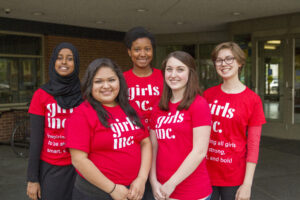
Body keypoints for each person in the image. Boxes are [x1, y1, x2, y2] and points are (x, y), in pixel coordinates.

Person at [65, 58, 152, 200]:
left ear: (119, 81)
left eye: (111, 80)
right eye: (98, 81)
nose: (106, 86)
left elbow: (145, 142)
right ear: (89, 85)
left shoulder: (131, 107)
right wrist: (111, 188)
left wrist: (142, 179)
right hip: (97, 193)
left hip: (135, 190)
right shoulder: (81, 114)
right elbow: (79, 160)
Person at [203, 42, 266, 200]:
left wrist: (247, 184)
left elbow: (253, 145)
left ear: (240, 62)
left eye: (229, 59)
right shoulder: (207, 95)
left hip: (234, 176)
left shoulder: (253, 100)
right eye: (219, 60)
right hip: (205, 172)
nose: (224, 64)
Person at [149, 51, 212, 200]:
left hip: (192, 191)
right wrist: (153, 181)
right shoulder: (158, 107)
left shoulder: (199, 105)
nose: (173, 74)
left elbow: (199, 151)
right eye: (169, 69)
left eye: (180, 69)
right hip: (161, 188)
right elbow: (153, 146)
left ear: (190, 73)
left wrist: (172, 183)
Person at [26, 42, 83, 200]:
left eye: (70, 58)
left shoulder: (85, 95)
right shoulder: (41, 95)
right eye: (59, 58)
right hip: (52, 167)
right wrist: (32, 178)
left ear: (76, 63)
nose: (64, 62)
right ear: (53, 62)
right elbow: (35, 141)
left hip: (81, 167)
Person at [123, 26, 164, 200]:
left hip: (161, 148)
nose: (142, 54)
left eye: (147, 49)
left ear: (153, 51)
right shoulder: (120, 80)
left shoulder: (164, 77)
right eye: (137, 49)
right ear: (129, 52)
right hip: (131, 149)